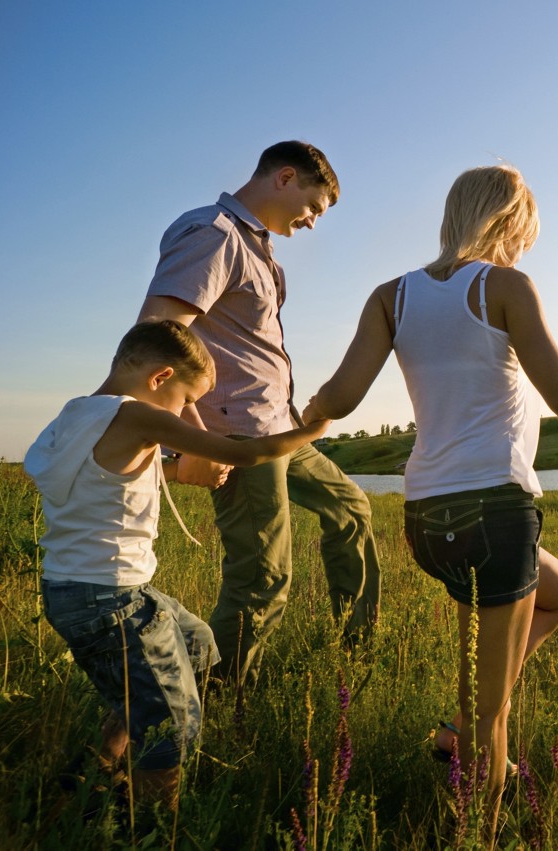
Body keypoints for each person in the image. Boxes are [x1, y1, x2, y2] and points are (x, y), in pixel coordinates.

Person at [303, 164, 558, 837]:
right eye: (526, 232)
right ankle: (477, 825)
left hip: (426, 518)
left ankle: (459, 729)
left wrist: (287, 425)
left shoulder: (389, 296)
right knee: (495, 718)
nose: (525, 246)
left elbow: (337, 400)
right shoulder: (505, 286)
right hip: (494, 513)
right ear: (509, 221)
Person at [25, 320, 329, 812]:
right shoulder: (140, 416)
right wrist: (315, 426)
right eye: (188, 400)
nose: (189, 414)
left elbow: (99, 473)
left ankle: (98, 769)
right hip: (113, 600)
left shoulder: (75, 415)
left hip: (73, 591)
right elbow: (248, 452)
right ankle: (147, 825)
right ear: (161, 377)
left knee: (195, 641)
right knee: (173, 723)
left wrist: (170, 469)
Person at [137, 141, 380, 685]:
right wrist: (194, 441)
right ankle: (203, 704)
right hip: (237, 437)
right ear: (285, 177)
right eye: (314, 206)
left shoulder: (258, 248)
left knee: (352, 510)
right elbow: (156, 335)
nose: (314, 222)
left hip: (278, 428)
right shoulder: (214, 234)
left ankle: (356, 652)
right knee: (263, 582)